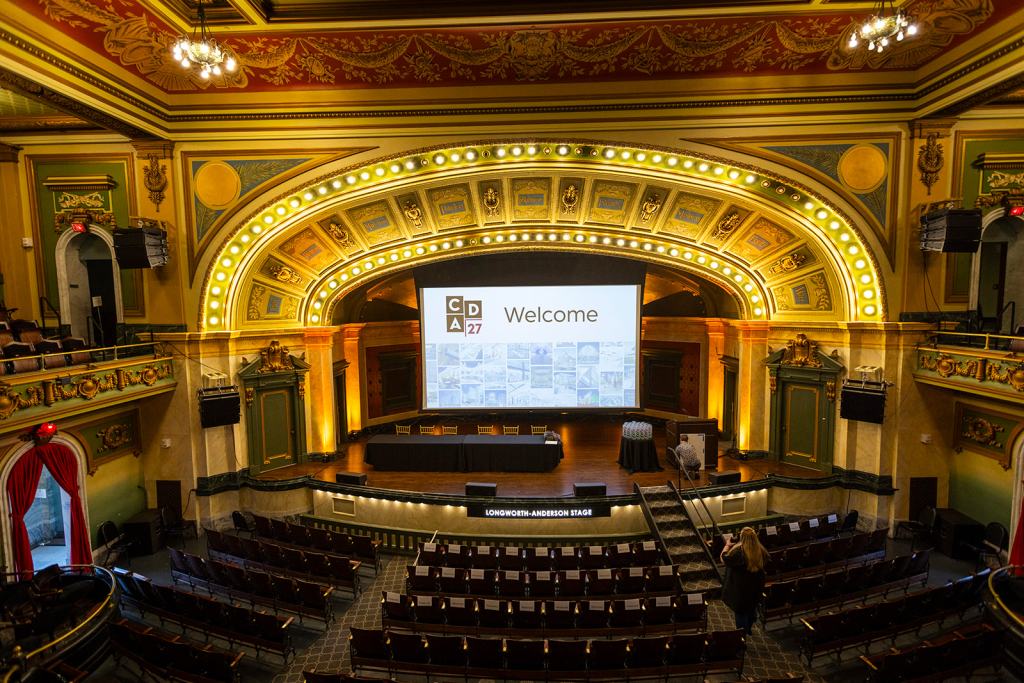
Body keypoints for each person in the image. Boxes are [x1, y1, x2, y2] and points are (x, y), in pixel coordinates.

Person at [720, 526, 768, 634]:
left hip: (741, 590)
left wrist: (727, 545)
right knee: (751, 609)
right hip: (755, 588)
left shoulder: (738, 553)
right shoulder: (761, 551)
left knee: (741, 613)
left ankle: (742, 635)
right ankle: (748, 629)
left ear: (741, 538)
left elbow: (723, 558)